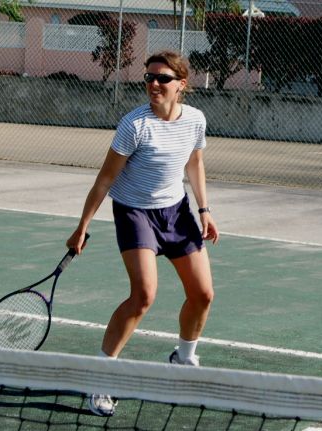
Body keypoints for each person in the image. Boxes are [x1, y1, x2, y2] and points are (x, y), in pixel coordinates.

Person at [66, 50, 219, 417]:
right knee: (143, 295)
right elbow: (105, 179)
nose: (153, 84)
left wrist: (204, 209)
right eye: (149, 78)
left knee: (202, 294)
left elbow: (194, 162)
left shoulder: (195, 120)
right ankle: (101, 378)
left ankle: (183, 359)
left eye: (162, 78)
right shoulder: (134, 125)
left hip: (177, 212)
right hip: (135, 212)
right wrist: (82, 225)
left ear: (181, 85)